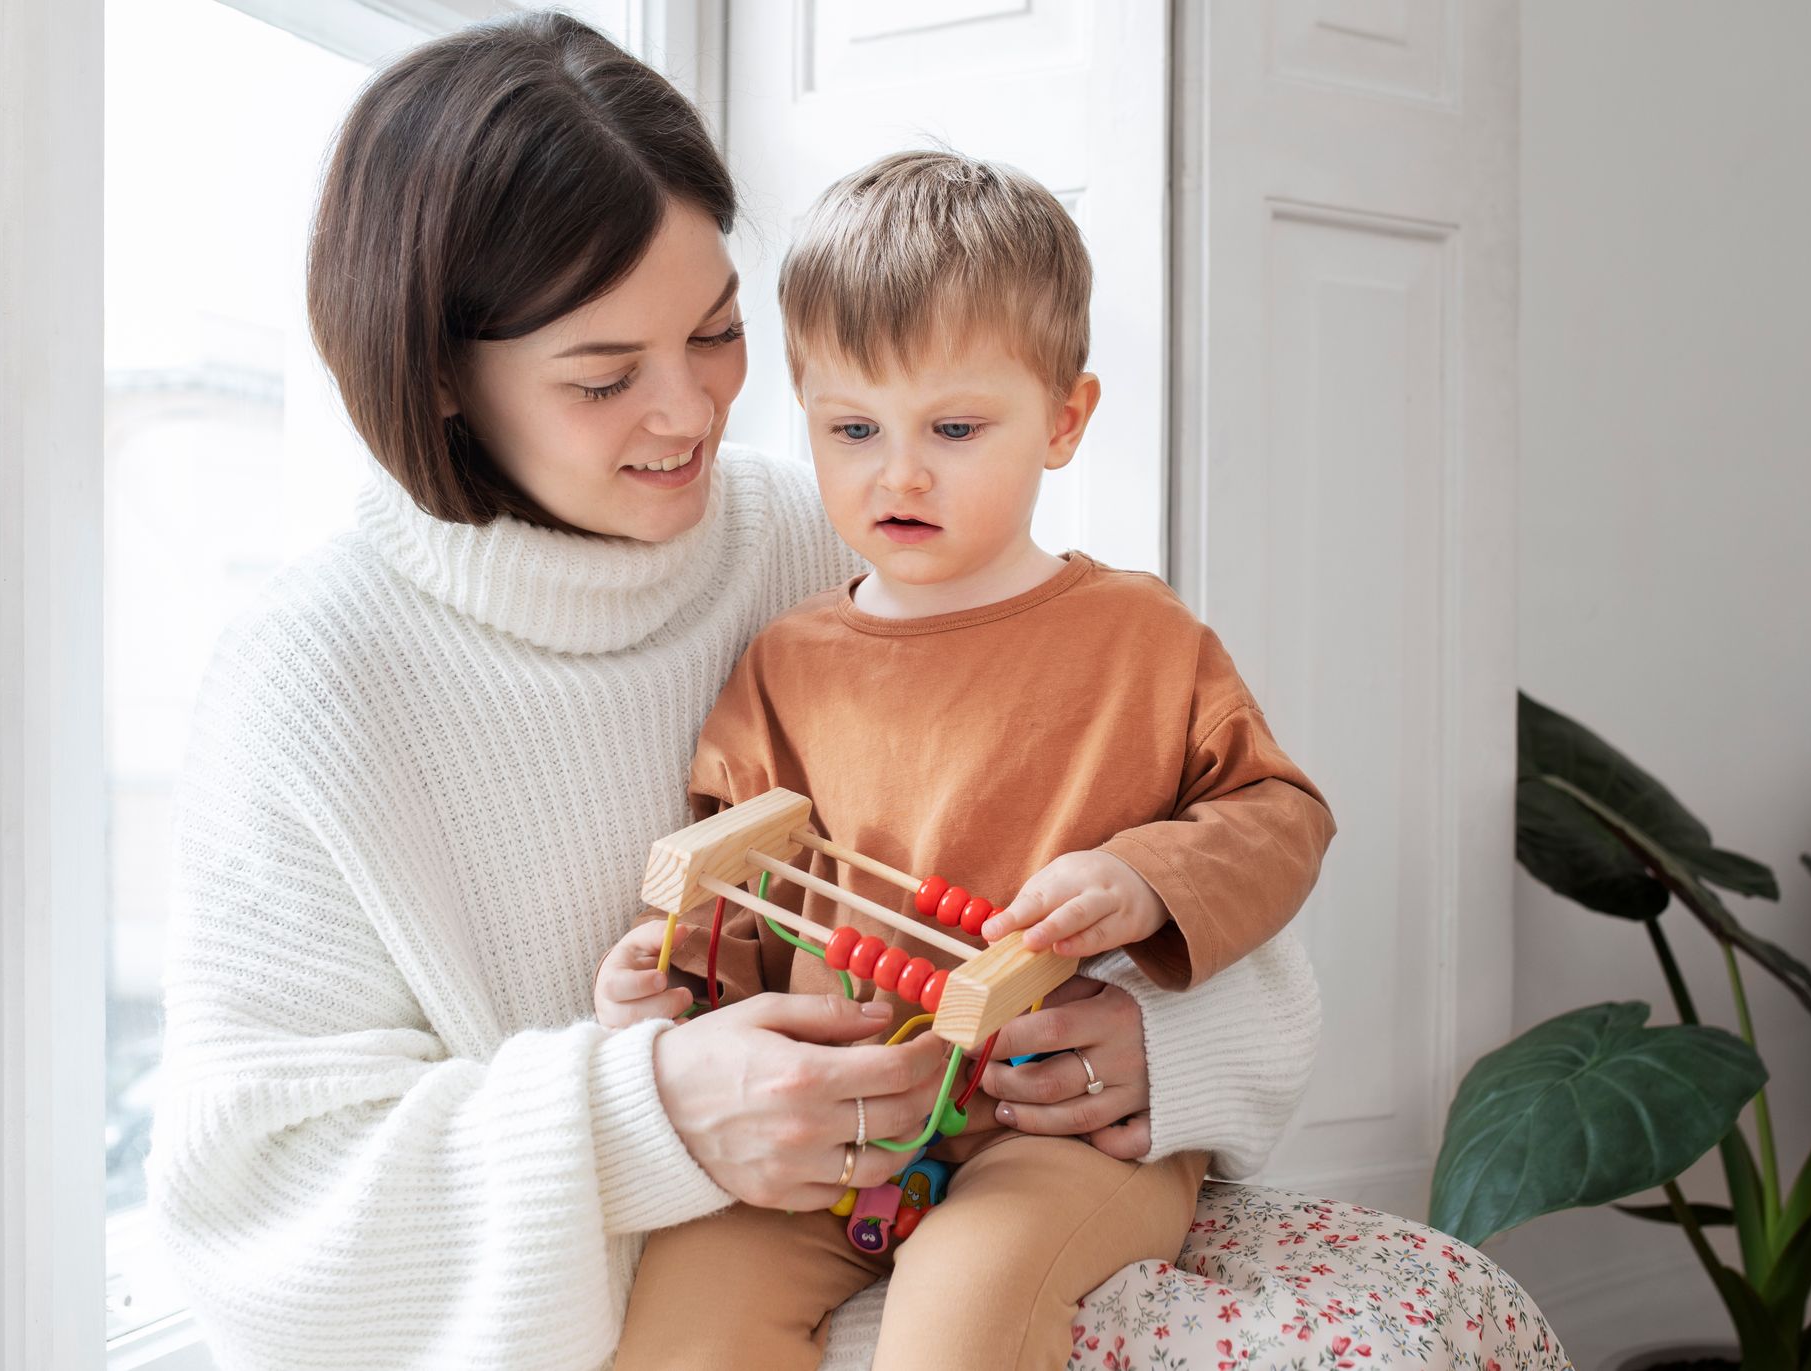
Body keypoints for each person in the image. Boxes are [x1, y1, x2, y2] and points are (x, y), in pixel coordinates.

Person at [146, 15, 1323, 1371]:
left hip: (1001, 1203)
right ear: (443, 379)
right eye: (603, 376)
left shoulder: (832, 540)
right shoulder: (308, 681)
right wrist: (645, 1101)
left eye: (714, 332)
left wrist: (1153, 1040)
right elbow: (253, 1209)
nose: (692, 414)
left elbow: (1226, 874)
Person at [601, 152, 1335, 1370]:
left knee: (959, 1311)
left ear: (1063, 420)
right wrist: (663, 990)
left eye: (953, 426)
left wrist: (1150, 878)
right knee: (681, 1312)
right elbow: (743, 909)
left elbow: (1278, 813)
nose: (899, 471)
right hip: (848, 1125)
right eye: (852, 427)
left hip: (1052, 1135)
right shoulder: (783, 664)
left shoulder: (1143, 640)